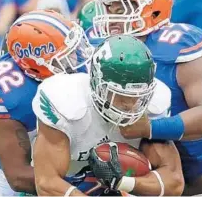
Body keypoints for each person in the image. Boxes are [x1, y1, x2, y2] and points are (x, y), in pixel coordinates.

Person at [92, 0, 202, 195]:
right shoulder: (107, 54)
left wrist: (150, 128)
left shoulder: (176, 45)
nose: (112, 17)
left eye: (121, 9)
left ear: (153, 9)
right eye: (110, 9)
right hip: (168, 187)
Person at [32, 35, 184, 196]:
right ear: (98, 85)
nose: (130, 105)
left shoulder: (154, 106)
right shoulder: (67, 101)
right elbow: (47, 183)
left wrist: (121, 182)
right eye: (121, 95)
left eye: (138, 97)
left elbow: (174, 183)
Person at [0, 10, 94, 196]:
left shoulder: (86, 65)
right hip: (17, 170)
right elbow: (17, 176)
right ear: (33, 66)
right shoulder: (10, 92)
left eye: (75, 49)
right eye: (65, 57)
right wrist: (81, 184)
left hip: (74, 159)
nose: (77, 59)